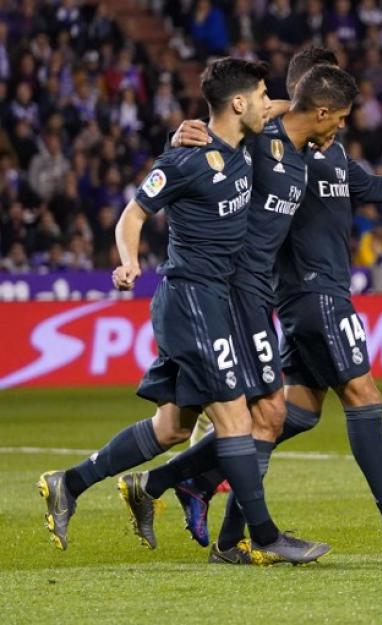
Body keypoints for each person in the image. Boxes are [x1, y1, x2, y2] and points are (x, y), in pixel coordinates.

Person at [166, 46, 382, 553]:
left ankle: (196, 480)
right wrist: (186, 133)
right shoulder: (267, 142)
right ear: (311, 98)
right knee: (364, 395)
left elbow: (371, 186)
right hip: (309, 292)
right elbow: (219, 138)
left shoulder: (329, 149)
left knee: (294, 413)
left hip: (326, 290)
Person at [38, 58, 329, 565]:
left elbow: (288, 108)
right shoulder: (185, 159)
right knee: (238, 420)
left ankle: (69, 483)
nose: (269, 102)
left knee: (172, 427)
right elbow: (133, 214)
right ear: (238, 104)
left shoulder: (241, 144)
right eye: (261, 95)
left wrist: (304, 115)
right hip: (192, 299)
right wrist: (129, 261)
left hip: (213, 300)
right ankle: (261, 536)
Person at [118, 63, 360, 565]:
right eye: (338, 114)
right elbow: (217, 130)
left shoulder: (285, 131)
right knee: (256, 416)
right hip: (231, 290)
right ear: (321, 107)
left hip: (252, 290)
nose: (341, 125)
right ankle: (238, 535)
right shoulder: (257, 131)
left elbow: (261, 108)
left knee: (213, 421)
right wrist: (189, 130)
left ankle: (172, 488)